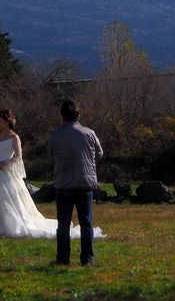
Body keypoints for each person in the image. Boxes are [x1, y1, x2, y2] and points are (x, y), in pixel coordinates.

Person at [0, 108, 105, 240]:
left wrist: (2, 163)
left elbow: (18, 158)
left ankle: (13, 226)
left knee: (12, 201)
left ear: (7, 121)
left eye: (0, 120)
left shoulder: (14, 138)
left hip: (8, 173)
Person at [48, 100, 104, 266]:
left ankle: (63, 258)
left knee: (63, 223)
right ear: (78, 115)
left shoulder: (56, 135)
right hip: (84, 183)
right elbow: (99, 153)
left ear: (62, 116)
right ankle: (87, 258)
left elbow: (50, 157)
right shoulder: (89, 133)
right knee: (86, 222)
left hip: (64, 183)